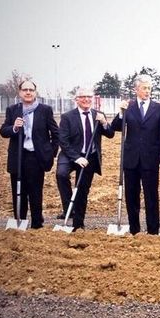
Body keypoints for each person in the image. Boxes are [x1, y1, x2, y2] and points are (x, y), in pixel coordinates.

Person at [111, 74, 160, 235]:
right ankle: (134, 229)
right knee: (131, 196)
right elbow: (116, 127)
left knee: (151, 196)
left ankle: (153, 231)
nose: (147, 91)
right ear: (135, 89)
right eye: (144, 88)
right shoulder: (128, 107)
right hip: (131, 160)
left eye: (149, 88)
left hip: (151, 159)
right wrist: (121, 113)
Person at [0, 80, 59, 229]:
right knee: (18, 190)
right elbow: (3, 131)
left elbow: (56, 134)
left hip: (36, 157)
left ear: (35, 92)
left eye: (31, 90)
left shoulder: (45, 110)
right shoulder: (13, 110)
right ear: (19, 92)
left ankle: (37, 223)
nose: (28, 92)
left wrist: (50, 153)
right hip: (18, 156)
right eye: (25, 90)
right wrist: (14, 127)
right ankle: (20, 221)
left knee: (35, 191)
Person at [56, 87, 115, 231]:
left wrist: (104, 123)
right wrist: (76, 158)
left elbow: (110, 134)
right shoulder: (67, 117)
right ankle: (69, 207)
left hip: (90, 157)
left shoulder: (98, 115)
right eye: (82, 97)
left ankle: (78, 224)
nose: (86, 99)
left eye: (89, 96)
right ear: (76, 100)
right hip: (70, 155)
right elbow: (63, 141)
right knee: (61, 174)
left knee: (82, 189)